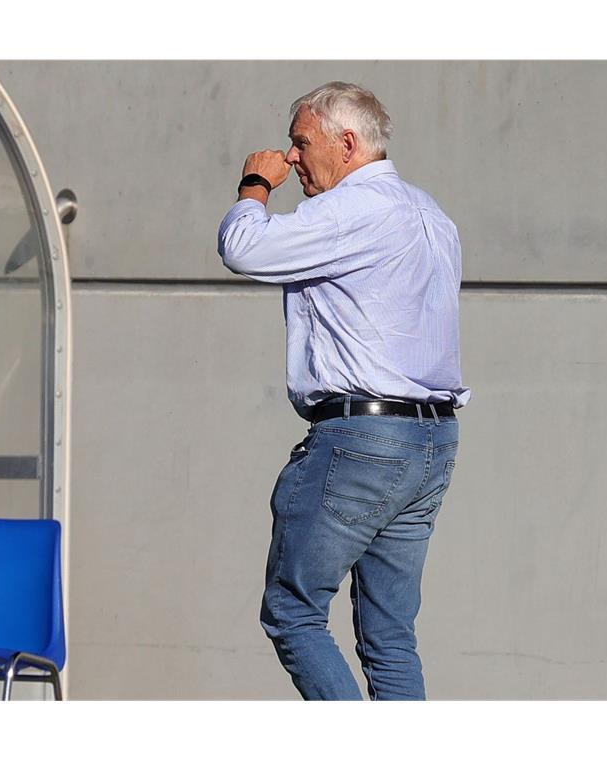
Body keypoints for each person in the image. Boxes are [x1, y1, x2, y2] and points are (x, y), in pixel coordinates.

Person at [217, 81, 470, 700]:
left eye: (301, 144)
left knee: (294, 612)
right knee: (390, 638)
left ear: (347, 143)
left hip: (362, 436)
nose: (293, 157)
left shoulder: (351, 210)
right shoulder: (431, 215)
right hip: (431, 440)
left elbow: (243, 248)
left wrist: (255, 187)